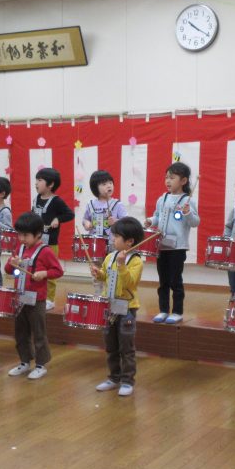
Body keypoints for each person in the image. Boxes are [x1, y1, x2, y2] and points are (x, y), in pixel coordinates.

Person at [5, 212, 64, 380]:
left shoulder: (45, 251)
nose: (21, 239)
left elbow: (58, 271)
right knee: (20, 332)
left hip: (37, 299)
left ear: (38, 234)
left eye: (25, 235)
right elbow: (8, 270)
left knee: (39, 332)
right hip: (20, 297)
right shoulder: (19, 249)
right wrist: (12, 264)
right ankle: (24, 361)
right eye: (19, 235)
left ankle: (40, 365)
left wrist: (44, 273)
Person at [89, 217, 144, 397]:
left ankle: (127, 381)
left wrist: (121, 265)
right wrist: (98, 274)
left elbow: (129, 282)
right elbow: (106, 277)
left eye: (117, 236)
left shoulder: (136, 261)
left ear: (129, 241)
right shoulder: (109, 256)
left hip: (127, 308)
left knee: (126, 347)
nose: (113, 239)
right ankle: (114, 378)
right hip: (109, 306)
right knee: (110, 345)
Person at [145, 161, 200, 324]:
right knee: (163, 281)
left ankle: (177, 312)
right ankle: (163, 310)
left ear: (183, 181)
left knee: (175, 280)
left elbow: (195, 222)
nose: (168, 181)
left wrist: (188, 213)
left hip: (178, 247)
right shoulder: (162, 199)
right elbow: (158, 216)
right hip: (161, 246)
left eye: (172, 177)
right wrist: (150, 220)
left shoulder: (187, 200)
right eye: (166, 177)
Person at [33, 167, 74, 310]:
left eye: (40, 180)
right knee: (36, 269)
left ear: (50, 184)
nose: (36, 183)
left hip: (50, 243)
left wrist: (58, 219)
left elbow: (70, 214)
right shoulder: (36, 199)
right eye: (36, 180)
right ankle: (36, 295)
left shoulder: (57, 201)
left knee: (50, 271)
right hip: (35, 242)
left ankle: (50, 299)